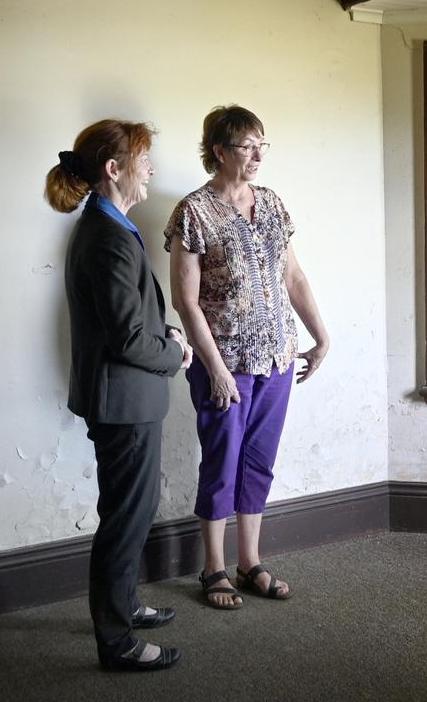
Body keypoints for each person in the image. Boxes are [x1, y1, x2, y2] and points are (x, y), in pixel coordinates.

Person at [165, 105, 328, 610]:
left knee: (258, 462)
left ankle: (249, 560)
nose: (258, 155)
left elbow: (293, 277)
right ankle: (213, 567)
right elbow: (184, 300)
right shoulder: (192, 211)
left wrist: (320, 336)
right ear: (218, 151)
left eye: (263, 145)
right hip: (225, 363)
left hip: (277, 357)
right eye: (246, 146)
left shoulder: (273, 204)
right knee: (222, 460)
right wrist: (213, 369)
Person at [45, 119, 192, 671]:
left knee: (128, 509)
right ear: (114, 169)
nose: (151, 168)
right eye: (143, 159)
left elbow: (131, 322)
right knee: (127, 519)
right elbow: (129, 337)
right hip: (124, 402)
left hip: (125, 399)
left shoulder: (110, 226)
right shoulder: (107, 237)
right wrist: (176, 352)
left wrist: (168, 334)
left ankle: (125, 604)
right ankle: (117, 641)